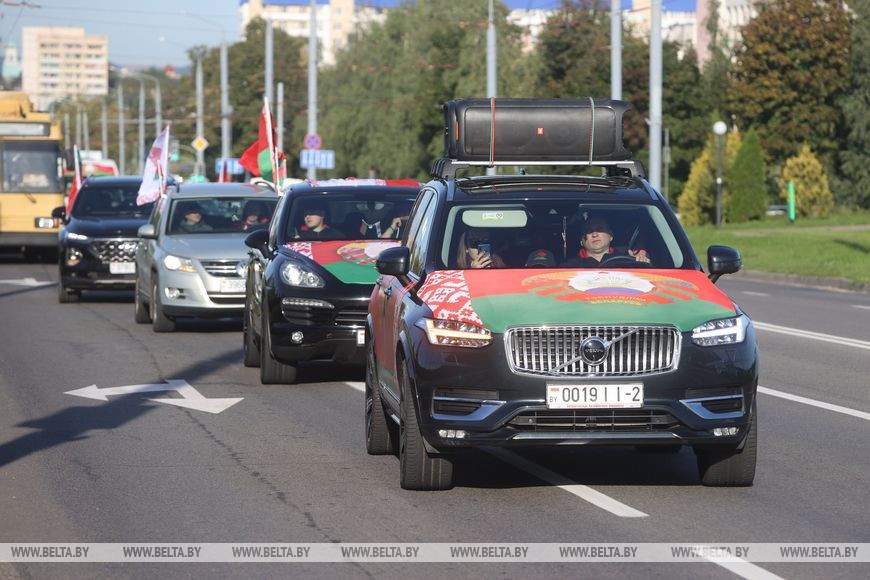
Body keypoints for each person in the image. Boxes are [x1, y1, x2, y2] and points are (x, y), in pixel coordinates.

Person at [560, 215, 649, 267]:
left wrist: (641, 263)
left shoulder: (628, 262)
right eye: (589, 231)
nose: (595, 235)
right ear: (581, 241)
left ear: (611, 236)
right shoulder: (569, 266)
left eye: (600, 229)